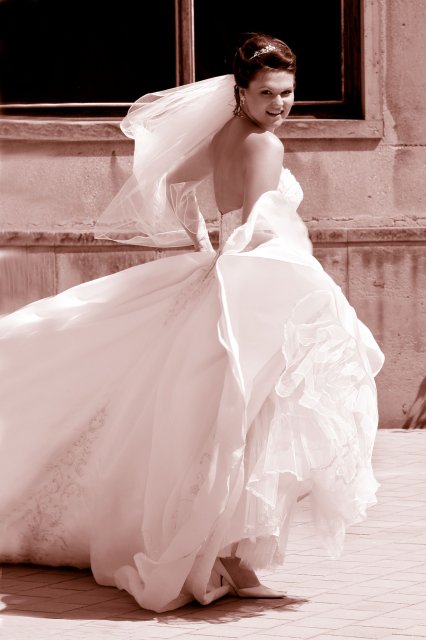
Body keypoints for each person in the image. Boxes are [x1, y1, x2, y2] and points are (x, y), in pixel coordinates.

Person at [0, 32, 384, 613]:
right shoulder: (264, 145)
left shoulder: (225, 134)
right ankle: (223, 557)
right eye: (267, 93)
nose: (280, 104)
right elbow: (257, 225)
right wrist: (278, 273)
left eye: (287, 92)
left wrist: (204, 242)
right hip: (250, 285)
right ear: (241, 92)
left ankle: (230, 557)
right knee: (238, 426)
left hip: (226, 275)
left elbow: (174, 180)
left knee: (226, 427)